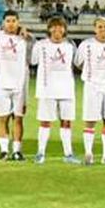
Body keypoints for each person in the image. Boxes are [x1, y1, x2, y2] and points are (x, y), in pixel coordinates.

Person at [74, 16, 105, 165]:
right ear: (95, 29)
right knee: (90, 120)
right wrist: (91, 74)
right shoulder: (86, 45)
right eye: (100, 27)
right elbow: (78, 63)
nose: (103, 29)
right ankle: (89, 154)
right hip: (92, 86)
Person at [30, 16, 78, 164]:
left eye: (60, 27)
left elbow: (76, 64)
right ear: (49, 29)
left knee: (66, 122)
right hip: (46, 89)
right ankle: (41, 153)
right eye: (54, 27)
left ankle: (68, 154)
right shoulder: (40, 45)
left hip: (66, 89)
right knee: (45, 122)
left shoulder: (70, 46)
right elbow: (33, 61)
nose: (57, 30)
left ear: (64, 30)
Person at [0, 10, 30, 161]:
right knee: (2, 119)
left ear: (18, 22)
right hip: (1, 84)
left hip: (20, 85)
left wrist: (26, 32)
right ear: (3, 23)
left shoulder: (25, 39)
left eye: (14, 21)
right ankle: (4, 150)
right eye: (8, 21)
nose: (11, 24)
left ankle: (17, 151)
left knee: (18, 119)